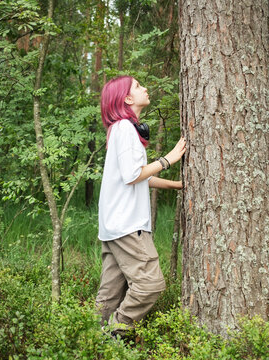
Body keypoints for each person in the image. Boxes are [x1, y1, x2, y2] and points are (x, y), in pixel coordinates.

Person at [95, 75, 186, 335]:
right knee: (150, 285)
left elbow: (138, 177)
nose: (145, 88)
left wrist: (176, 185)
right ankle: (115, 332)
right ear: (126, 98)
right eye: (137, 86)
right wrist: (168, 159)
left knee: (109, 295)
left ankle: (92, 343)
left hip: (114, 226)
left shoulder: (120, 129)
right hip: (127, 225)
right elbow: (133, 175)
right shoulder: (124, 128)